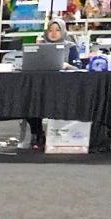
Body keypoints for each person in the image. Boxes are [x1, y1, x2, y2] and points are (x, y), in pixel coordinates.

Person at [22, 19, 80, 149]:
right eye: (51, 30)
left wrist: (67, 65)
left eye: (57, 30)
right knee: (30, 101)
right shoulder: (39, 45)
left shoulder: (70, 47)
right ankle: (37, 133)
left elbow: (79, 68)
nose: (53, 33)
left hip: (64, 89)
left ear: (63, 31)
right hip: (42, 88)